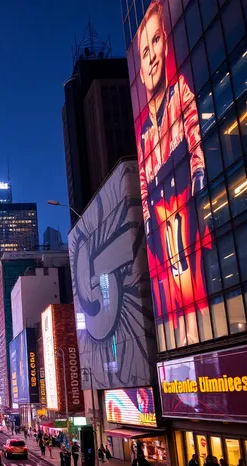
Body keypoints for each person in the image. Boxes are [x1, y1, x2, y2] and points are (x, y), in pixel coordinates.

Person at [136, 0, 209, 345]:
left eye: (156, 42)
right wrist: (149, 213)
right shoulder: (143, 131)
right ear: (139, 67)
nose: (150, 55)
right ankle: (183, 339)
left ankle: (195, 336)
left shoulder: (180, 91)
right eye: (143, 50)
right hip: (160, 214)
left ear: (166, 43)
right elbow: (141, 181)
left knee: (187, 272)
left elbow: (194, 129)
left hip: (183, 200)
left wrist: (198, 171)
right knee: (168, 282)